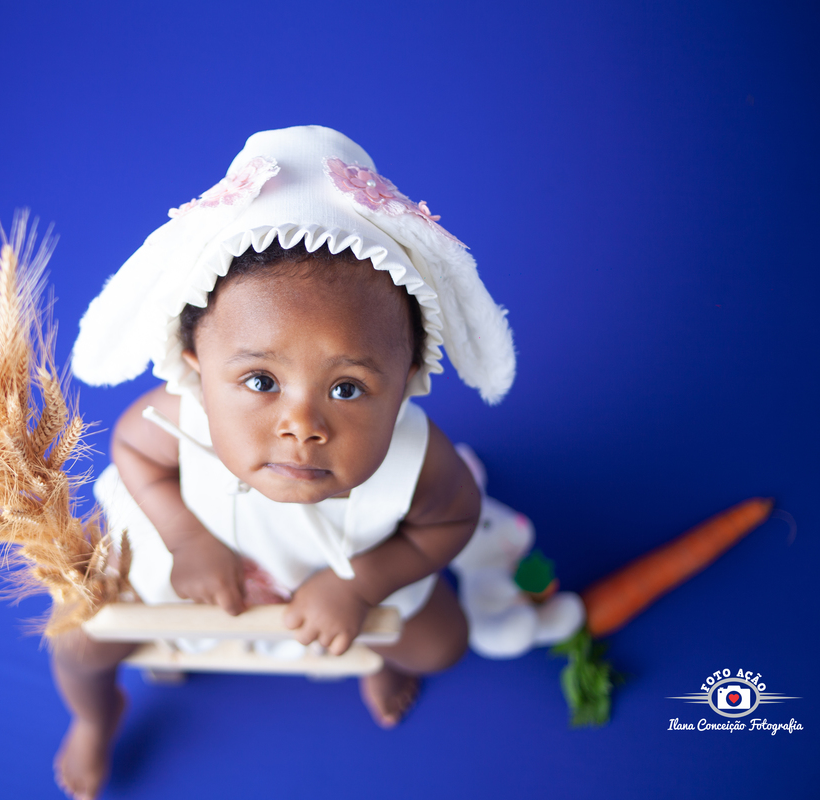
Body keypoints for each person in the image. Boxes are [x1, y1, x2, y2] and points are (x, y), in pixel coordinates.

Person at [53, 125, 517, 800]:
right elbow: (132, 452)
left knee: (440, 643)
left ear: (411, 376)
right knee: (77, 643)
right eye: (261, 381)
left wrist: (362, 585)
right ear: (197, 368)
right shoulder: (178, 416)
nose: (302, 425)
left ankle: (372, 651)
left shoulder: (420, 461)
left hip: (348, 564)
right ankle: (96, 717)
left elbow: (450, 522)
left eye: (348, 388)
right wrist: (187, 536)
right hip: (197, 555)